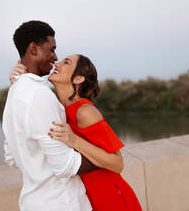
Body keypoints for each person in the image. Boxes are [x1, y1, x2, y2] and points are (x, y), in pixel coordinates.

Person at [10, 54, 142, 211]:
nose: (56, 64)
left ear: (78, 79)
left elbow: (117, 163)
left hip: (110, 198)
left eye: (66, 62)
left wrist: (74, 141)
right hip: (85, 199)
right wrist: (19, 82)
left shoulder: (85, 112)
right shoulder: (57, 108)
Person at [2, 20, 96, 211]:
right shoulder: (39, 94)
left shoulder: (14, 92)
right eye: (51, 49)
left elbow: (11, 156)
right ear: (33, 49)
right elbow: (65, 165)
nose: (55, 57)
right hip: (61, 203)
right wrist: (104, 157)